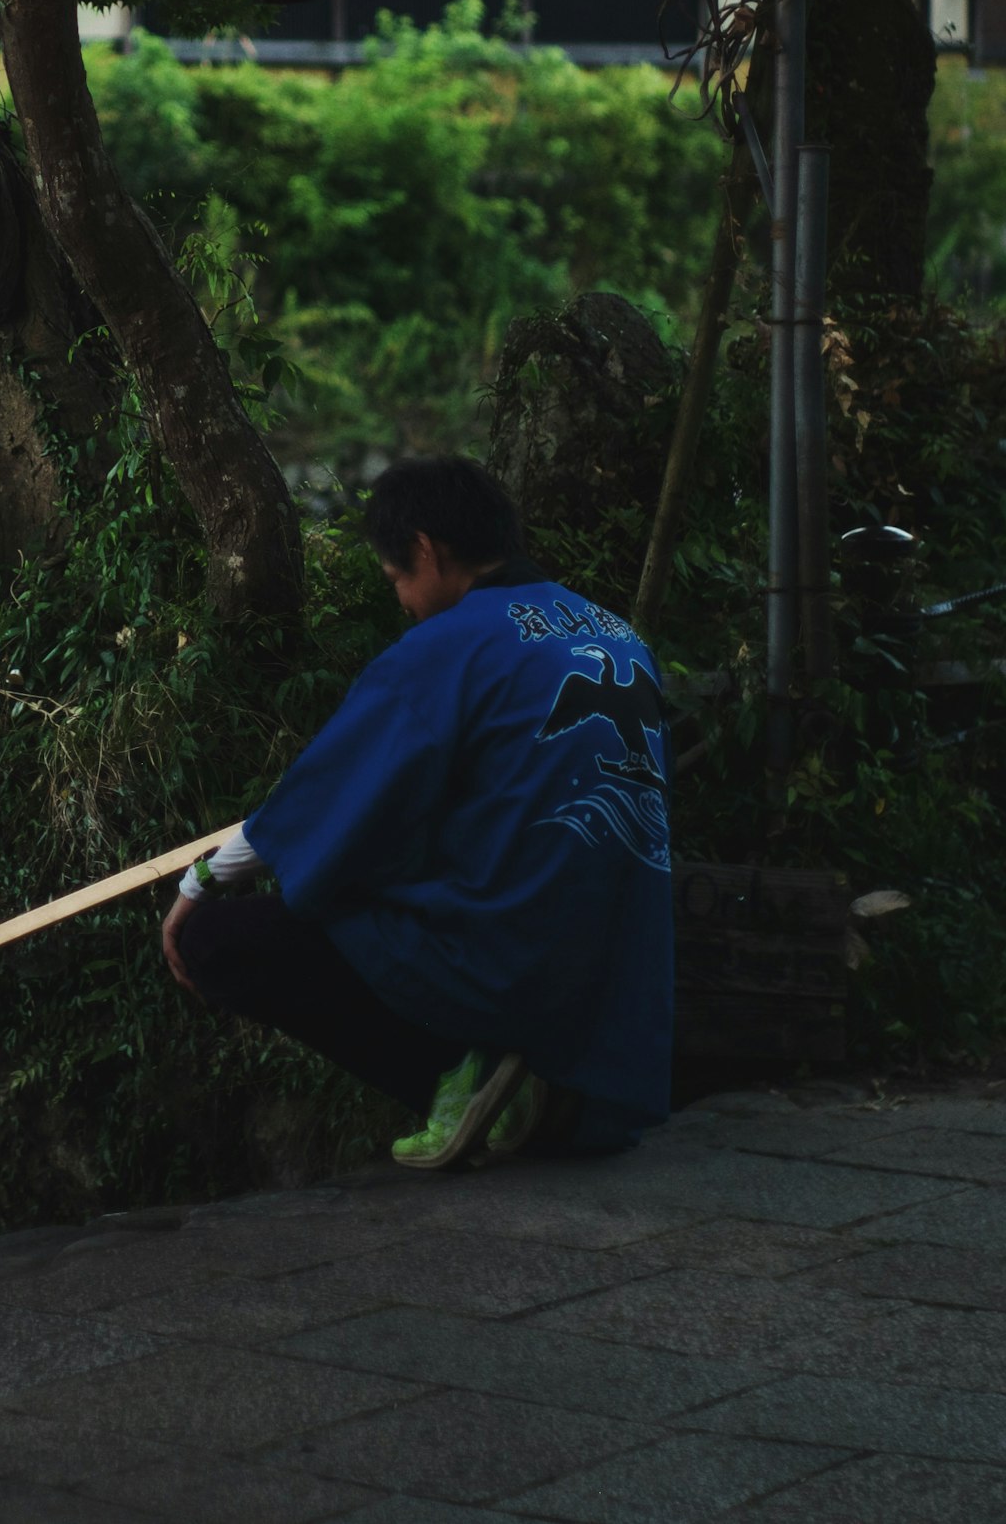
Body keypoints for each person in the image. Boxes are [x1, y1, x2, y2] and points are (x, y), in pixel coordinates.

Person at [163, 457, 674, 1168]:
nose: (402, 600)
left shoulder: (449, 644)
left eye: (397, 578)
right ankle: (524, 1083)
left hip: (510, 953)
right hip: (613, 959)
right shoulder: (619, 637)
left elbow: (333, 792)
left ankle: (465, 1078)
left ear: (428, 550)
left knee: (219, 941)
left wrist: (200, 884)